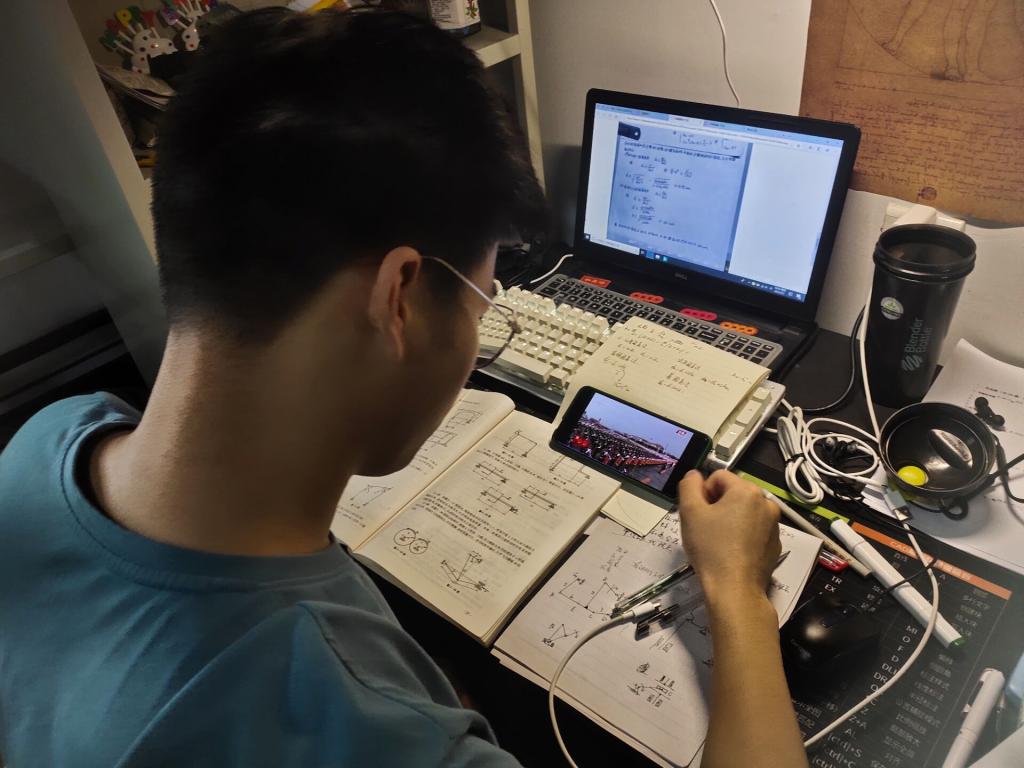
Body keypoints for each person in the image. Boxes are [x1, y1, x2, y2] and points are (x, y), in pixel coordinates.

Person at [0, 7, 807, 767]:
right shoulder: (377, 732)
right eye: (485, 302)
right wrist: (739, 593)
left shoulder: (51, 439)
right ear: (400, 297)